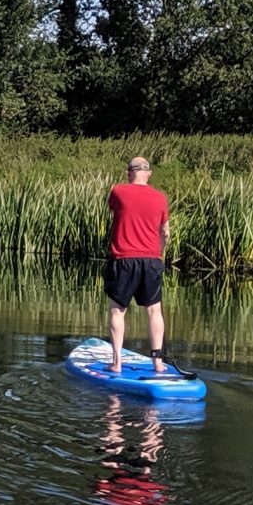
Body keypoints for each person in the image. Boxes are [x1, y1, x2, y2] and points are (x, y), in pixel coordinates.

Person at [104, 154, 170, 370]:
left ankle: (117, 363)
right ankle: (158, 363)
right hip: (151, 260)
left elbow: (114, 211)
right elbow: (166, 233)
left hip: (124, 259)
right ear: (148, 174)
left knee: (117, 310)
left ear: (129, 173)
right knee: (154, 310)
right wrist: (160, 253)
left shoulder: (118, 191)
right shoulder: (161, 198)